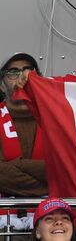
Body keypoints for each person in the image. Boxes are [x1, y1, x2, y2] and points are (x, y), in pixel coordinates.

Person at [0, 53, 47, 234]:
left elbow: (63, 170)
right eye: (13, 72)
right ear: (2, 85)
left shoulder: (58, 119)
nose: (22, 77)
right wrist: (44, 179)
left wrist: (16, 166)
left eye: (29, 70)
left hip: (48, 225)